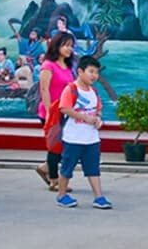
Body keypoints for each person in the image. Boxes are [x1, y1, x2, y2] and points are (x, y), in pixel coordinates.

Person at [54, 55, 112, 209]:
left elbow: (98, 110)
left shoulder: (94, 91)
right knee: (67, 168)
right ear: (80, 71)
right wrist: (85, 117)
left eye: (96, 72)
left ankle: (99, 197)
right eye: (91, 71)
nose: (94, 75)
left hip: (91, 139)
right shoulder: (71, 89)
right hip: (73, 138)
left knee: (93, 169)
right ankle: (61, 195)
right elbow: (64, 108)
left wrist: (98, 119)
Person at [35, 31, 77, 192]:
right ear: (56, 46)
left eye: (71, 46)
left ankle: (45, 167)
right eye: (66, 45)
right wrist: (48, 113)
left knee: (66, 146)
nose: (69, 49)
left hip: (65, 112)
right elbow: (44, 90)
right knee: (55, 147)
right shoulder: (48, 65)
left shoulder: (67, 66)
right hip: (51, 112)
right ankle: (54, 180)